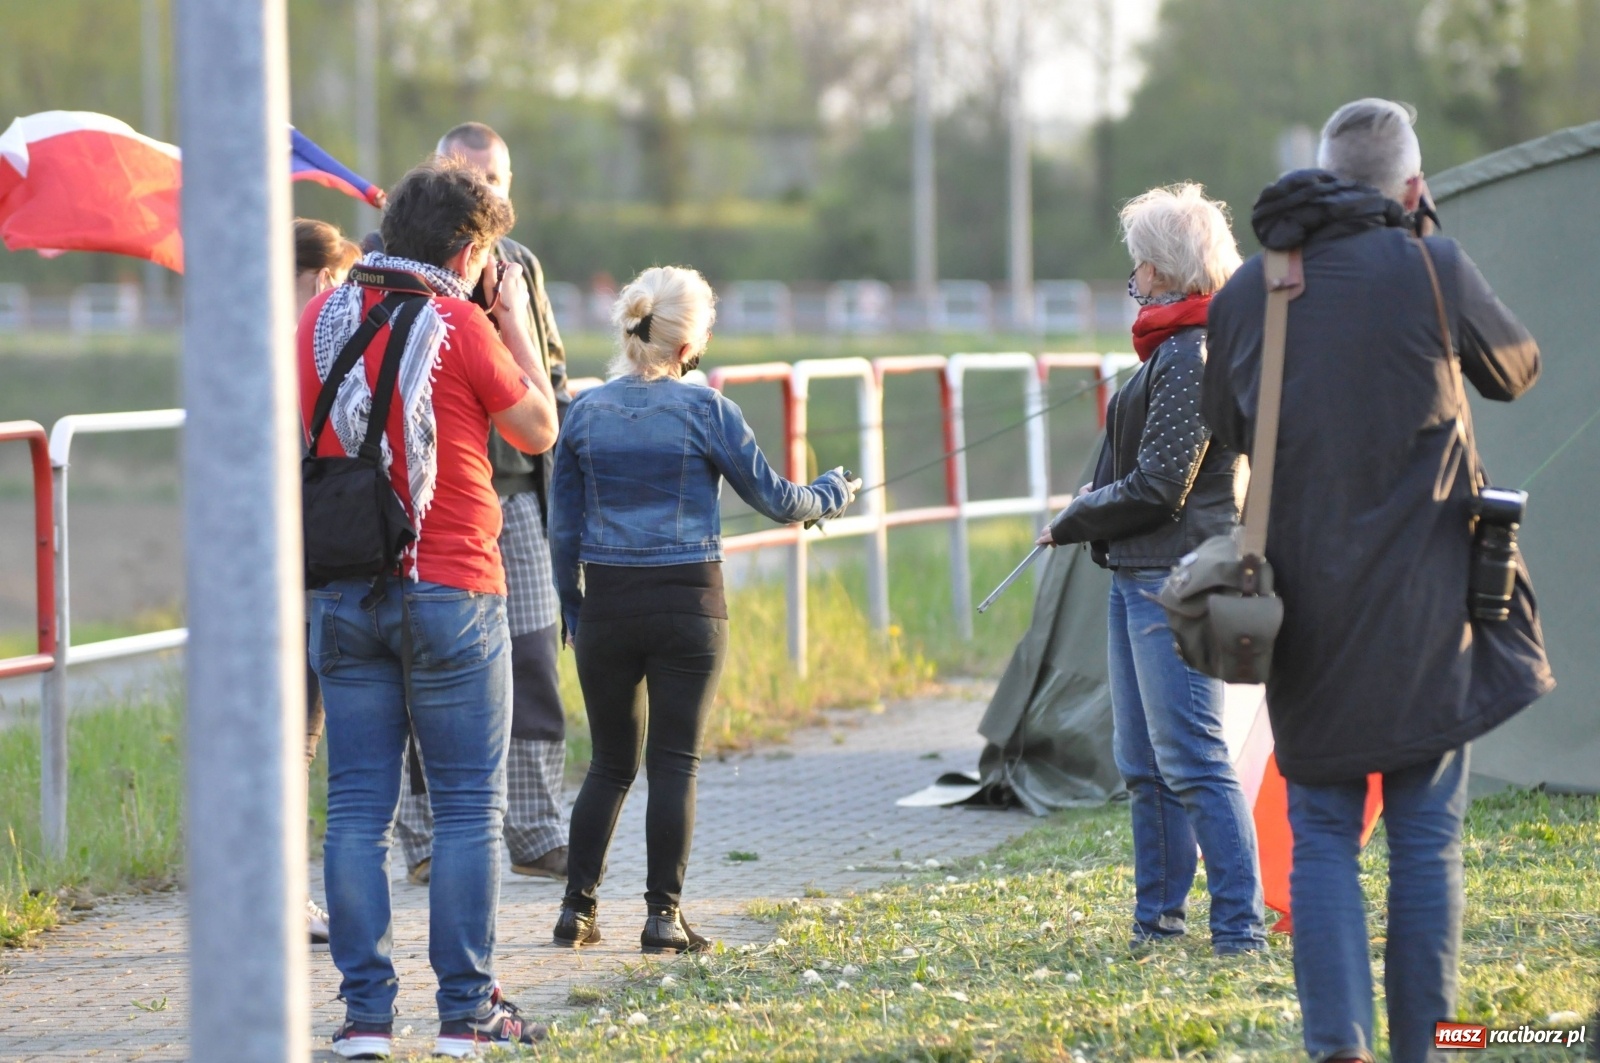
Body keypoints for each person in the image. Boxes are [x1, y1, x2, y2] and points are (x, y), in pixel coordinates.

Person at [1203, 99, 1552, 1063]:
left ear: (1319, 176)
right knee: (1423, 840)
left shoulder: (1249, 291)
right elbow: (1516, 367)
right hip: (1429, 612)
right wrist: (1427, 241)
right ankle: (1421, 1051)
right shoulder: (1428, 265)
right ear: (1410, 187)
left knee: (1320, 831)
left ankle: (1339, 1047)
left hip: (1304, 613)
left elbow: (1230, 429)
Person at [299, 158, 559, 1059]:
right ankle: (466, 1012)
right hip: (451, 588)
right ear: (472, 248)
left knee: (358, 809)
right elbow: (539, 428)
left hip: (341, 589)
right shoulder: (460, 322)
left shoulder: (318, 319)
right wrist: (511, 313)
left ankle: (365, 1018)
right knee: (463, 808)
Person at [548, 266, 859, 953]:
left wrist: (575, 607)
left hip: (607, 605)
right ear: (691, 341)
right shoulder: (708, 409)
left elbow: (562, 531)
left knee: (608, 764)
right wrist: (832, 494)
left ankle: (576, 909)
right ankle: (663, 917)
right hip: (690, 606)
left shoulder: (586, 411)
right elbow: (778, 499)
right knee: (675, 762)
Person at [1039, 183, 1267, 956]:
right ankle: (1157, 922)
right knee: (1145, 763)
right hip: (1138, 572)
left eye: (1138, 266)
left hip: (1174, 579)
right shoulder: (1174, 348)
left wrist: (1073, 517)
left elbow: (1163, 483)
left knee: (1194, 759)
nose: (1132, 281)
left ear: (1168, 272)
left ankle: (1238, 927)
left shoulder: (1192, 353)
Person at [393, 121, 573, 888]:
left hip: (517, 492)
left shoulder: (521, 269)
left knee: (533, 658)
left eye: (493, 178)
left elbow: (551, 374)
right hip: (422, 499)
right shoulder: (398, 261)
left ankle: (534, 828)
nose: (480, 189)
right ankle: (426, 838)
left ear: (510, 193)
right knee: (418, 668)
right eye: (465, 175)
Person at [292, 217, 360, 953]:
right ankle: (285, 898)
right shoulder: (313, 345)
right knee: (301, 736)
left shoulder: (248, 341)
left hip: (256, 564)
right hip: (307, 561)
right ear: (321, 279)